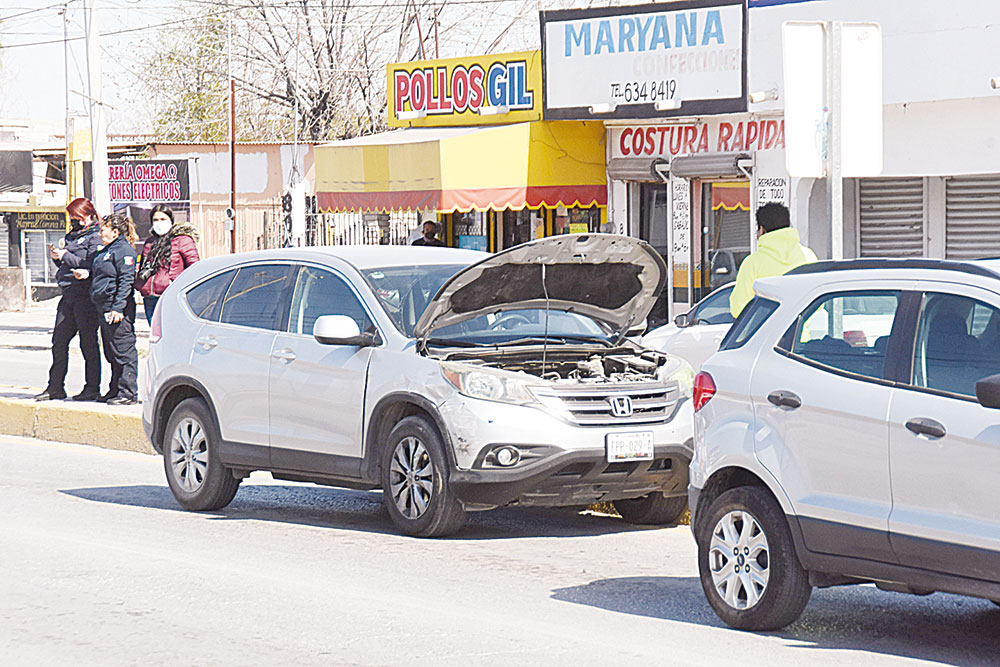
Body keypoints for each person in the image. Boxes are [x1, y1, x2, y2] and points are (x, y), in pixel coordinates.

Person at [35, 198, 105, 401]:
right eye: (72, 218)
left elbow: (90, 264)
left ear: (89, 216)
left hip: (85, 295)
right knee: (59, 341)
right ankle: (55, 386)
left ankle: (92, 387)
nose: (74, 222)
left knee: (88, 343)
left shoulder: (95, 237)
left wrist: (66, 255)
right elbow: (67, 266)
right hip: (68, 293)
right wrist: (58, 258)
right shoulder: (72, 236)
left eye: (77, 218)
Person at [730, 202, 818, 318]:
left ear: (762, 229)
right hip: (802, 335)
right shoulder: (808, 257)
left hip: (767, 334)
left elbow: (739, 308)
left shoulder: (753, 263)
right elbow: (818, 305)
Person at [90, 213, 140, 406]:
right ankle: (115, 389)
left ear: (115, 232)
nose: (100, 232)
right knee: (111, 352)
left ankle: (128, 393)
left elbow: (126, 281)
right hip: (103, 306)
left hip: (116, 308)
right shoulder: (107, 250)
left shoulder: (123, 251)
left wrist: (118, 308)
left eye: (103, 229)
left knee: (123, 350)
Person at [135, 204, 200, 323]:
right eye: (155, 220)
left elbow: (194, 268)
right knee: (155, 334)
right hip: (150, 297)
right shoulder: (150, 242)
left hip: (170, 295)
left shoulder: (182, 240)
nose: (159, 222)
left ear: (171, 220)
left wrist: (177, 285)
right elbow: (143, 266)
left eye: (163, 219)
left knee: (171, 331)